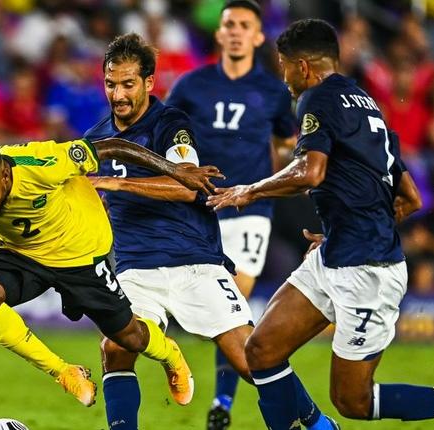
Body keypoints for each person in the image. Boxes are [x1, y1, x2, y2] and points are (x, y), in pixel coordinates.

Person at [208, 19, 434, 430]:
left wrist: (251, 191)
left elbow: (310, 172)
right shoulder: (365, 103)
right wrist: (348, 227)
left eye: (284, 66)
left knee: (353, 400)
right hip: (337, 252)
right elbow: (410, 196)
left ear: (303, 67)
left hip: (369, 271)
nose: (283, 79)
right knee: (261, 350)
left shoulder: (316, 99)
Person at [0, 135, 222, 407]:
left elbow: (112, 146)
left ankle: (170, 354)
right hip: (21, 253)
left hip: (82, 251)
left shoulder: (43, 162)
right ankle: (65, 373)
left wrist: (176, 170)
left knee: (128, 337)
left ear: (4, 174)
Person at [86, 33, 257, 430]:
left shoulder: (170, 124)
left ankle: (317, 423)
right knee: (115, 348)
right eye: (111, 84)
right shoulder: (94, 141)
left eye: (128, 84)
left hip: (193, 259)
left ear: (148, 83)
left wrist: (115, 183)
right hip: (135, 267)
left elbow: (188, 185)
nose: (119, 94)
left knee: (252, 362)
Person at [165, 2, 298, 427]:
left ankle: (222, 403)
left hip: (251, 208)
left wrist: (263, 182)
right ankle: (239, 397)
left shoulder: (275, 91)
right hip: (202, 207)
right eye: (230, 25)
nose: (237, 32)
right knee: (215, 306)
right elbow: (167, 135)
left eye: (245, 26)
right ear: (219, 34)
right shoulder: (191, 86)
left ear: (259, 37)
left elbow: (286, 143)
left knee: (234, 296)